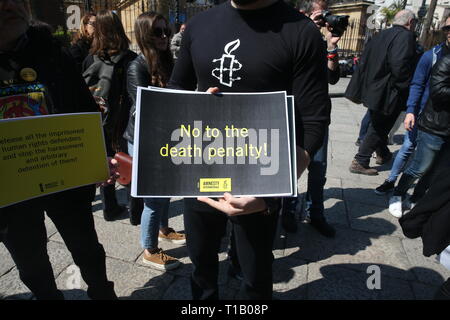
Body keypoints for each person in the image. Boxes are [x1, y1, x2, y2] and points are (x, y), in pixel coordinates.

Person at [169, 0, 330, 299]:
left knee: (255, 273)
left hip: (260, 177)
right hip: (202, 168)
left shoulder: (301, 31)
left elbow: (313, 119)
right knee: (201, 265)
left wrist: (272, 189)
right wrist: (193, 105)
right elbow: (177, 86)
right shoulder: (200, 25)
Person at [0, 0, 116, 299]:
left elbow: (84, 105)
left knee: (86, 246)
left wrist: (99, 156)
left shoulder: (51, 49)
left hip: (65, 175)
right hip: (11, 192)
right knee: (30, 261)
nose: (8, 5)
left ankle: (102, 292)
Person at [124, 12, 186, 271]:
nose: (164, 37)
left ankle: (163, 229)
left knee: (165, 191)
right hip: (144, 138)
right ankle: (149, 249)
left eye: (166, 31)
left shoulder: (167, 60)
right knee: (154, 197)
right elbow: (142, 107)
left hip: (166, 136)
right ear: (144, 35)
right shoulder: (136, 66)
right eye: (157, 32)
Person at [280, 0, 340, 237]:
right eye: (317, 13)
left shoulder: (322, 40)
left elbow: (333, 78)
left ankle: (316, 212)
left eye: (324, 13)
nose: (321, 17)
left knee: (318, 167)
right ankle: (288, 209)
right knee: (291, 167)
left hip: (317, 114)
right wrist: (308, 29)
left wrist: (331, 47)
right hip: (291, 113)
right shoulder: (291, 32)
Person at [375, 14, 450, 195]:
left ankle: (419, 195)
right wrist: (411, 111)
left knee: (435, 162)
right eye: (447, 28)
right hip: (424, 113)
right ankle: (391, 181)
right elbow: (417, 84)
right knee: (408, 147)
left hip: (445, 120)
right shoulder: (431, 56)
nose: (449, 33)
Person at [399, 53, 450, 300]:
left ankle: (419, 202)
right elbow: (430, 88)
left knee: (431, 175)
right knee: (419, 167)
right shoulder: (440, 58)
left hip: (447, 128)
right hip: (434, 124)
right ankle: (398, 193)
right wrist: (411, 110)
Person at [82, 10, 137, 222]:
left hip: (99, 120)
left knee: (105, 164)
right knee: (127, 162)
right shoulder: (129, 58)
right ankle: (135, 208)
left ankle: (109, 207)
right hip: (123, 121)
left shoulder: (90, 58)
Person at [347, 10, 417, 175]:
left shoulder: (381, 34)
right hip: (388, 91)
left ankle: (383, 154)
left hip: (374, 87)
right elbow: (399, 65)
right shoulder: (405, 37)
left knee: (378, 123)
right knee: (379, 126)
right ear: (410, 22)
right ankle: (360, 160)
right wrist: (405, 86)